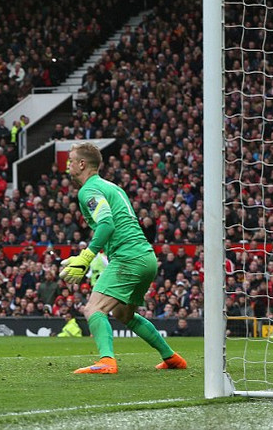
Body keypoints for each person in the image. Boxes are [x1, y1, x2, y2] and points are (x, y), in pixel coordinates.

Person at [60, 142, 186, 374]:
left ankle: (107, 361)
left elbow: (106, 222)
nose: (68, 165)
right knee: (123, 314)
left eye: (70, 160)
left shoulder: (88, 190)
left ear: (81, 163)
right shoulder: (112, 187)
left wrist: (86, 256)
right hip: (146, 258)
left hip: (127, 257)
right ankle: (172, 358)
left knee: (93, 309)